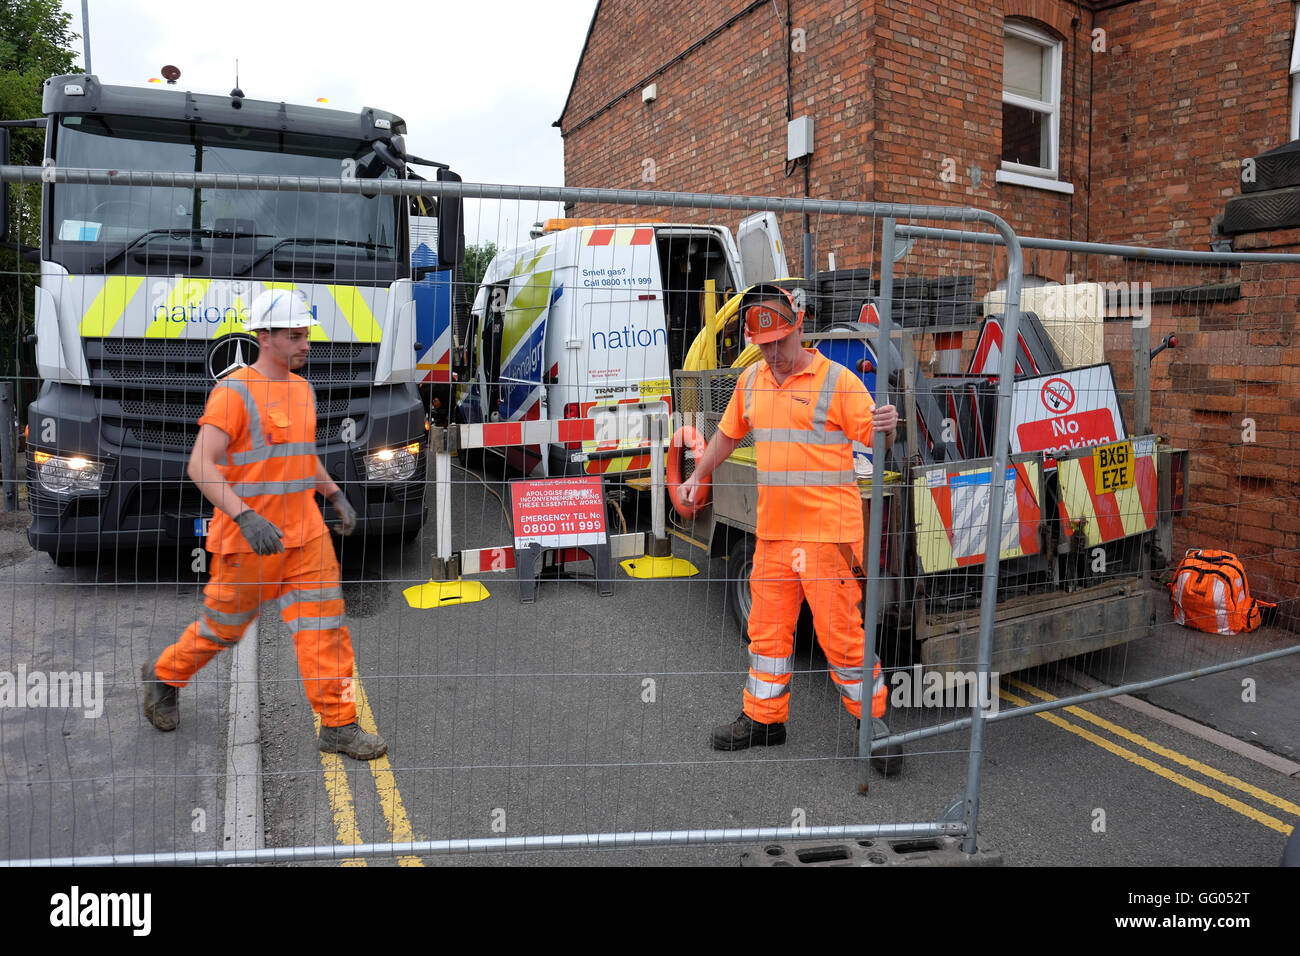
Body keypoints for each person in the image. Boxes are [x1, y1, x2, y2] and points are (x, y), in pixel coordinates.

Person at [141, 289, 387, 760]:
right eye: (295, 336)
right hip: (249, 541)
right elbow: (201, 466)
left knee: (325, 630)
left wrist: (333, 493)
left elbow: (301, 456)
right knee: (222, 630)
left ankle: (338, 724)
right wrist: (244, 515)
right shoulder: (233, 392)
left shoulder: (302, 390)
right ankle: (164, 677)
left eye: (307, 335)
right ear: (265, 337)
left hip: (307, 535)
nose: (306, 345)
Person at [680, 283, 898, 751]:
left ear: (799, 327)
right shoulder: (752, 382)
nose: (773, 353)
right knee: (768, 633)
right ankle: (764, 719)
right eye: (762, 345)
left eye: (779, 341)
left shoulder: (837, 381)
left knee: (840, 638)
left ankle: (873, 725)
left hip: (829, 538)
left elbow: (877, 432)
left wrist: (889, 426)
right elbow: (726, 435)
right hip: (775, 535)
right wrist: (698, 474)